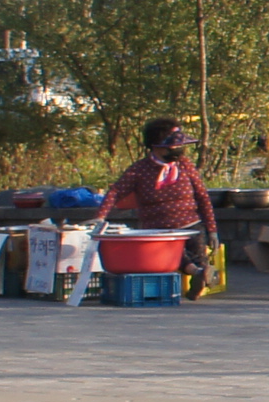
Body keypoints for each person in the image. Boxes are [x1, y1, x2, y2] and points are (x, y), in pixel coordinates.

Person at [88, 118, 217, 293]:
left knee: (199, 254)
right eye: (171, 146)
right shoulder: (140, 170)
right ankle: (196, 272)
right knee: (173, 255)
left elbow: (202, 196)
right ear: (156, 147)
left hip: (191, 224)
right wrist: (100, 216)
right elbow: (116, 192)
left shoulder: (185, 165)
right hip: (158, 230)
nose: (177, 150)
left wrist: (212, 229)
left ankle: (201, 274)